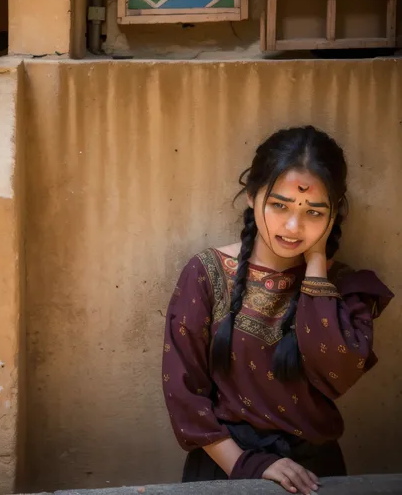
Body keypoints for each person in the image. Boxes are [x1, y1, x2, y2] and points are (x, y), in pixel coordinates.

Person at [161, 126, 394, 495]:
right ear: (252, 197)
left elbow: (339, 370)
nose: (293, 226)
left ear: (335, 214)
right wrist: (245, 464)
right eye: (279, 205)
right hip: (225, 470)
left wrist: (316, 267)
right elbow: (183, 393)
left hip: (314, 476)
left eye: (314, 212)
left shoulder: (347, 289)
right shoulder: (206, 274)